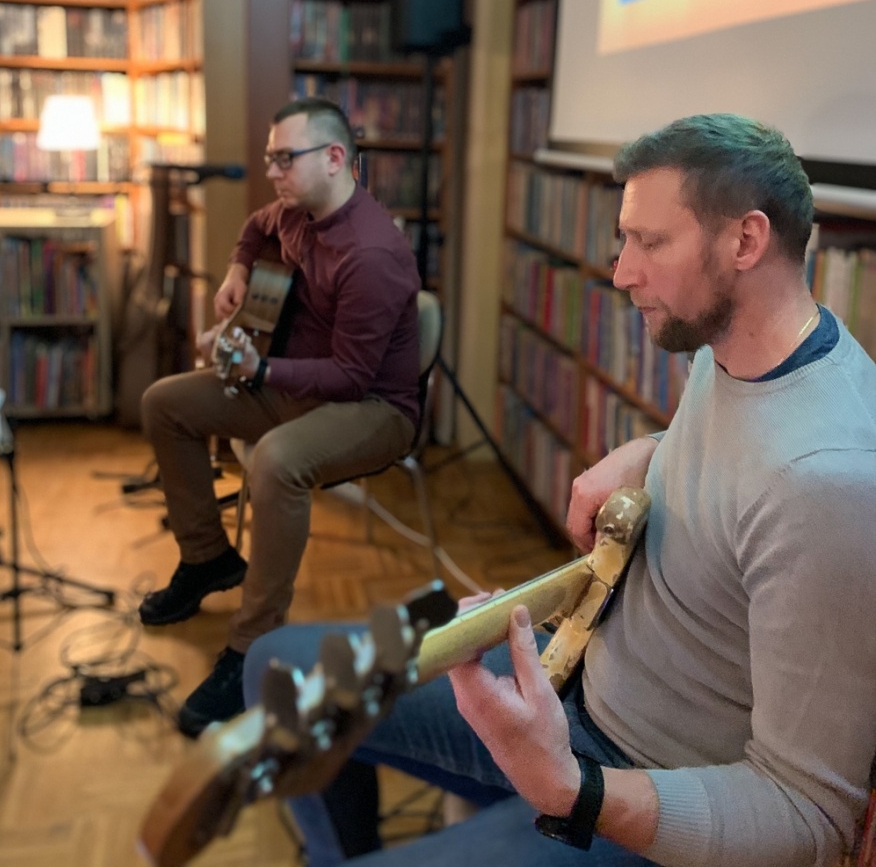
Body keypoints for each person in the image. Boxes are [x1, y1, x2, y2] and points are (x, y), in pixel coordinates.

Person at [244, 113, 876, 866]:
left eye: (650, 241)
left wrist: (570, 789)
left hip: (633, 788)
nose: (621, 272)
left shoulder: (827, 486)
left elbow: (808, 815)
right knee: (275, 672)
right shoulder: (742, 343)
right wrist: (648, 450)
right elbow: (745, 464)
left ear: (745, 242)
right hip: (573, 681)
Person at [140, 97, 421, 737]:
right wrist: (239, 270)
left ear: (333, 158)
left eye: (283, 158)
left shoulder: (373, 253)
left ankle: (251, 647)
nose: (272, 171)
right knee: (165, 403)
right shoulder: (298, 210)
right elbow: (258, 226)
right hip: (297, 383)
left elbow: (352, 376)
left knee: (277, 461)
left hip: (372, 406)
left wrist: (260, 371)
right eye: (269, 158)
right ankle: (208, 558)